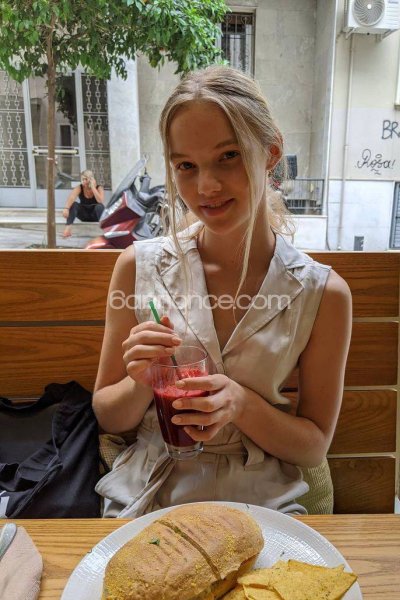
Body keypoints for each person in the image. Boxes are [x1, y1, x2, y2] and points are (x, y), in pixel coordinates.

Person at [93, 66, 352, 518]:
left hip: (261, 500)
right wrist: (142, 381)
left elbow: (313, 447)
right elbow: (108, 416)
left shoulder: (322, 293)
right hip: (147, 492)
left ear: (271, 153)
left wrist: (240, 404)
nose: (206, 187)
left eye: (228, 156)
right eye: (186, 166)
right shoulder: (138, 266)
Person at [62, 170, 105, 238]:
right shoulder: (80, 187)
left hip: (95, 215)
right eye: (82, 179)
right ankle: (68, 228)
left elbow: (100, 201)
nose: (83, 181)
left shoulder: (99, 188)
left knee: (100, 206)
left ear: (91, 179)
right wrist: (66, 208)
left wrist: (93, 187)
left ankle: (104, 229)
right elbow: (72, 197)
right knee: (74, 204)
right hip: (84, 215)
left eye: (85, 179)